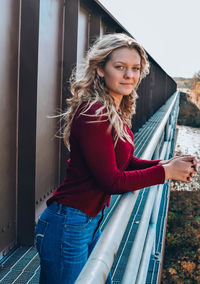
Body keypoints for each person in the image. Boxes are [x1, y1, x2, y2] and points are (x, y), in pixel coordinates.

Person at [35, 33, 198, 284]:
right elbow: (111, 180)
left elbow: (125, 163)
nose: (129, 75)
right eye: (119, 67)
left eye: (135, 69)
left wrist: (167, 164)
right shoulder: (94, 111)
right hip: (68, 225)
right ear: (100, 69)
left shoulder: (114, 110)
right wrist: (166, 173)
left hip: (86, 222)